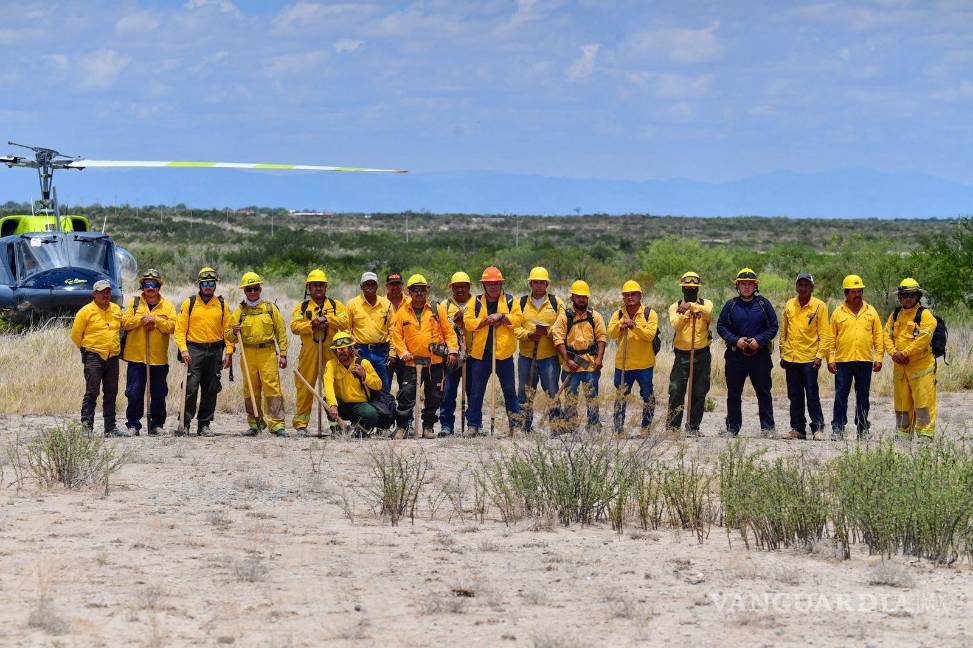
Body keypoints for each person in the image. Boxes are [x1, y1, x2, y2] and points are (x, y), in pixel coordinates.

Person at [390, 274, 458, 438]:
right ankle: (402, 427)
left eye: (422, 289)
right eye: (415, 290)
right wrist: (402, 352)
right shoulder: (402, 312)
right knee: (406, 394)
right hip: (411, 363)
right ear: (410, 292)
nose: (419, 293)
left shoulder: (436, 309)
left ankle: (428, 427)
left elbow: (449, 332)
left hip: (434, 362)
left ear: (427, 291)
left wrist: (453, 351)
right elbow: (396, 335)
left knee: (434, 396)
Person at [716, 268, 778, 437]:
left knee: (764, 392)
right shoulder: (731, 305)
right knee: (734, 393)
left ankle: (768, 429)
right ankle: (732, 429)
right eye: (743, 284)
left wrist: (759, 340)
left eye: (750, 284)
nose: (747, 287)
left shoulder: (763, 304)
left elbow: (774, 326)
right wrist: (736, 341)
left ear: (755, 286)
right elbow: (721, 326)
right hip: (736, 356)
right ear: (737, 285)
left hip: (760, 356)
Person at [225, 272, 289, 437]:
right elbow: (228, 336)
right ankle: (255, 424)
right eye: (249, 289)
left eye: (255, 288)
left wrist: (283, 353)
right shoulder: (240, 311)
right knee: (250, 390)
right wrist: (234, 330)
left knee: (272, 389)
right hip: (247, 354)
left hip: (267, 353)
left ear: (260, 289)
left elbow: (281, 331)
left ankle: (276, 425)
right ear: (244, 291)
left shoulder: (270, 308)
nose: (252, 292)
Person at [463, 266, 523, 436]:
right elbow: (468, 323)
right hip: (481, 355)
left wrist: (502, 317)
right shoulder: (474, 302)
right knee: (476, 392)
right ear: (484, 286)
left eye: (497, 283)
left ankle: (515, 426)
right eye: (490, 284)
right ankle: (473, 426)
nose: (494, 287)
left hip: (504, 355)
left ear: (501, 284)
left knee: (510, 391)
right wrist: (485, 321)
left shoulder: (511, 301)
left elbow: (519, 319)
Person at [175, 267, 232, 437]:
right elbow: (179, 330)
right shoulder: (189, 303)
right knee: (190, 388)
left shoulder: (222, 304)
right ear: (199, 284)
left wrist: (229, 352)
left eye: (211, 283)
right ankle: (184, 424)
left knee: (211, 388)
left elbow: (228, 330)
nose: (208, 286)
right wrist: (183, 350)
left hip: (215, 350)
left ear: (215, 285)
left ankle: (204, 425)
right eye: (205, 283)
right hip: (194, 350)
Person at [290, 269, 348, 434]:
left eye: (321, 285)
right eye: (314, 285)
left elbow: (345, 322)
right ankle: (301, 424)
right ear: (308, 287)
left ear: (326, 287)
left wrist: (327, 319)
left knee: (333, 386)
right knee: (305, 386)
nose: (318, 288)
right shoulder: (302, 307)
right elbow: (294, 327)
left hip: (331, 353)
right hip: (309, 353)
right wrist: (311, 325)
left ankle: (335, 424)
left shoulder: (336, 305)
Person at [121, 269, 176, 436]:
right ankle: (133, 425)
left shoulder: (167, 305)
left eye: (153, 284)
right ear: (142, 286)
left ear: (159, 286)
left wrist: (156, 320)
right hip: (136, 357)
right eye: (147, 284)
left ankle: (157, 425)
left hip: (158, 359)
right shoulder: (135, 303)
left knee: (159, 394)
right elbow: (124, 322)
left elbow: (174, 326)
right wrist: (141, 320)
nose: (150, 288)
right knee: (134, 392)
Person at [828, 274, 883, 440]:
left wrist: (879, 357)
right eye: (854, 291)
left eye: (860, 291)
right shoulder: (838, 313)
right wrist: (830, 359)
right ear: (846, 293)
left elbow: (878, 335)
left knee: (863, 397)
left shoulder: (871, 311)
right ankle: (838, 429)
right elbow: (830, 338)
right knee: (840, 396)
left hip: (865, 360)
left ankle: (862, 429)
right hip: (843, 361)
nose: (858, 294)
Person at [779, 272, 832, 440]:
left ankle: (818, 429)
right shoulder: (789, 305)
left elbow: (825, 334)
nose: (803, 288)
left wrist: (819, 356)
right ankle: (798, 429)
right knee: (794, 395)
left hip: (809, 359)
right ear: (796, 287)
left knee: (811, 394)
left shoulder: (819, 306)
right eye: (800, 285)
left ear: (811, 288)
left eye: (806, 285)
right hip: (791, 358)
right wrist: (783, 353)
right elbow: (784, 332)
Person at [884, 278, 938, 442]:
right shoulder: (895, 314)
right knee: (902, 404)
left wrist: (904, 354)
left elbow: (922, 340)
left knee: (923, 403)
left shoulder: (925, 315)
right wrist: (894, 353)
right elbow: (886, 334)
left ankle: (925, 433)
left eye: (912, 295)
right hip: (900, 369)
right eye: (904, 295)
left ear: (918, 296)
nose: (908, 299)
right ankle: (903, 433)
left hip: (921, 368)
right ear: (899, 297)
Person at [551, 280, 607, 433]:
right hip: (571, 363)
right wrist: (568, 360)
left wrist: (599, 359)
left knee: (592, 396)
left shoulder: (595, 316)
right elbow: (558, 339)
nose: (582, 300)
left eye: (584, 297)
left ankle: (594, 425)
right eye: (578, 296)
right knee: (571, 397)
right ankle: (570, 426)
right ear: (572, 298)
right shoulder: (564, 318)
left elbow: (602, 337)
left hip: (590, 363)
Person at [514, 266, 564, 434]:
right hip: (526, 357)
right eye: (535, 282)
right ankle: (524, 426)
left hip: (549, 357)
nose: (539, 285)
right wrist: (528, 335)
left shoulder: (556, 302)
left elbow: (562, 325)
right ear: (530, 283)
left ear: (547, 284)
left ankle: (556, 427)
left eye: (542, 282)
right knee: (525, 392)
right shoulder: (520, 303)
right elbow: (514, 327)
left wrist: (548, 332)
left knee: (552, 391)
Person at [70, 280, 123, 436]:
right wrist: (88, 349)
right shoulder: (85, 311)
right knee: (92, 392)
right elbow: (75, 336)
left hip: (112, 356)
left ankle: (110, 428)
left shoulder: (116, 309)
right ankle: (87, 428)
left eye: (108, 292)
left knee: (111, 393)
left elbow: (123, 327)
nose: (106, 295)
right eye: (102, 292)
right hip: (94, 356)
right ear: (94, 294)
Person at [607, 280, 658, 438]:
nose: (630, 297)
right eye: (626, 295)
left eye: (633, 294)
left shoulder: (650, 313)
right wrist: (620, 325)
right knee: (621, 396)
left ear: (640, 295)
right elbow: (610, 334)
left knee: (648, 396)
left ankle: (646, 428)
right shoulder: (618, 314)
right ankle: (618, 430)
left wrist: (634, 326)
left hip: (644, 364)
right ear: (623, 296)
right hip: (623, 364)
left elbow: (650, 336)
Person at [666, 271, 713, 436]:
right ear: (682, 289)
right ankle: (672, 429)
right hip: (682, 355)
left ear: (698, 288)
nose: (691, 290)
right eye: (687, 288)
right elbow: (675, 325)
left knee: (699, 391)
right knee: (676, 390)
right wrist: (686, 312)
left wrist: (692, 306)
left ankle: (693, 428)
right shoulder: (674, 306)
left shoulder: (706, 304)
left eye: (694, 288)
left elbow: (709, 314)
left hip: (702, 354)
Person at [324, 332, 384, 432]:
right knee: (327, 400)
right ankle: (336, 429)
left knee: (372, 414)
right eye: (338, 349)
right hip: (342, 405)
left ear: (351, 349)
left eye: (344, 349)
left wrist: (365, 375)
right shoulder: (331, 364)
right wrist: (333, 405)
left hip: (360, 405)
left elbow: (378, 385)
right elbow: (328, 385)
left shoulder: (363, 363)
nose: (341, 352)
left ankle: (359, 431)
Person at [346, 271, 394, 391]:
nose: (370, 286)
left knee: (383, 387)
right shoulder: (352, 304)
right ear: (361, 286)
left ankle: (384, 409)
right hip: (360, 351)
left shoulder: (386, 304)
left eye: (373, 284)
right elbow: (346, 329)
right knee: (361, 385)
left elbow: (393, 330)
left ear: (377, 286)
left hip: (382, 352)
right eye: (367, 284)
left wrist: (392, 353)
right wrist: (352, 349)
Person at [439, 271, 472, 436]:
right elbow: (441, 330)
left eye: (463, 286)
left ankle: (473, 424)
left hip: (472, 356)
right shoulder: (444, 306)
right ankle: (446, 425)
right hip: (451, 356)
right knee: (448, 392)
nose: (460, 290)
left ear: (469, 287)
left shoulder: (477, 303)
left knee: (473, 392)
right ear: (451, 288)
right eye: (456, 287)